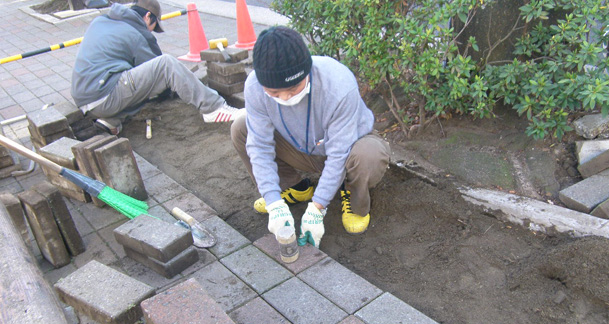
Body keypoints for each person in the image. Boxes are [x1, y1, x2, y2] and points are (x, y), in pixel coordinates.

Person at [231, 26, 391, 248]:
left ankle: (353, 199)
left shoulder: (337, 84)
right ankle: (295, 188)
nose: (286, 97)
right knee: (241, 127)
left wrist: (318, 209)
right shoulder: (255, 87)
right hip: (303, 147)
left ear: (307, 72)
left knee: (369, 155)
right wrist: (273, 201)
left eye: (294, 87)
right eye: (275, 93)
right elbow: (259, 146)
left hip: (347, 151)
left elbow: (338, 154)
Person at [71, 0, 242, 135]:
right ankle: (213, 108)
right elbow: (160, 75)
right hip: (104, 95)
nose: (151, 31)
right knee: (166, 64)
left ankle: (112, 121)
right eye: (154, 26)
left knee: (132, 81)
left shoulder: (102, 21)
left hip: (84, 98)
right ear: (147, 17)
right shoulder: (136, 33)